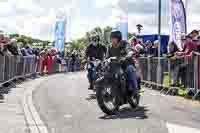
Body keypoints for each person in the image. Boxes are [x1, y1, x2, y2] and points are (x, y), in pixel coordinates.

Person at [107, 30, 139, 95]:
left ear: (118, 38)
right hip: (115, 65)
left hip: (126, 64)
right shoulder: (110, 47)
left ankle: (135, 90)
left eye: (114, 38)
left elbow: (129, 49)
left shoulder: (125, 43)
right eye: (111, 38)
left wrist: (129, 54)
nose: (112, 40)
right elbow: (107, 56)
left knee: (130, 69)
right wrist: (106, 60)